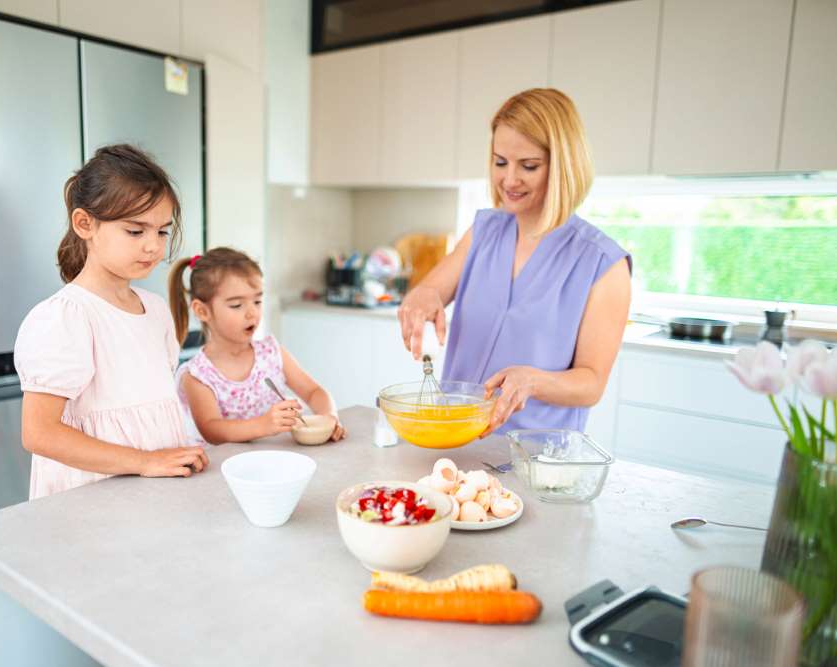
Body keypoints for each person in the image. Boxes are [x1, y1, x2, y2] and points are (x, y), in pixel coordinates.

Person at [397, 88, 632, 437]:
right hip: (457, 442)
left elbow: (591, 383)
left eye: (529, 166)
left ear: (564, 166)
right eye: (500, 162)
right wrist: (420, 298)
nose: (509, 180)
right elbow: (431, 290)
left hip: (538, 457)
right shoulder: (483, 232)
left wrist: (533, 381)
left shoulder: (602, 264)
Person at [14, 144, 209, 499]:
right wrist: (145, 461)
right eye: (135, 231)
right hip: (92, 505)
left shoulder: (156, 310)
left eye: (162, 231)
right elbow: (39, 433)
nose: (153, 246)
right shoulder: (65, 317)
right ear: (84, 224)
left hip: (151, 496)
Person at [168, 247, 347, 444]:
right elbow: (211, 429)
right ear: (202, 311)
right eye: (237, 305)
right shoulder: (197, 375)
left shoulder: (271, 353)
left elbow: (314, 392)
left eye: (257, 301)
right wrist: (263, 425)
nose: (252, 313)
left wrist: (329, 417)